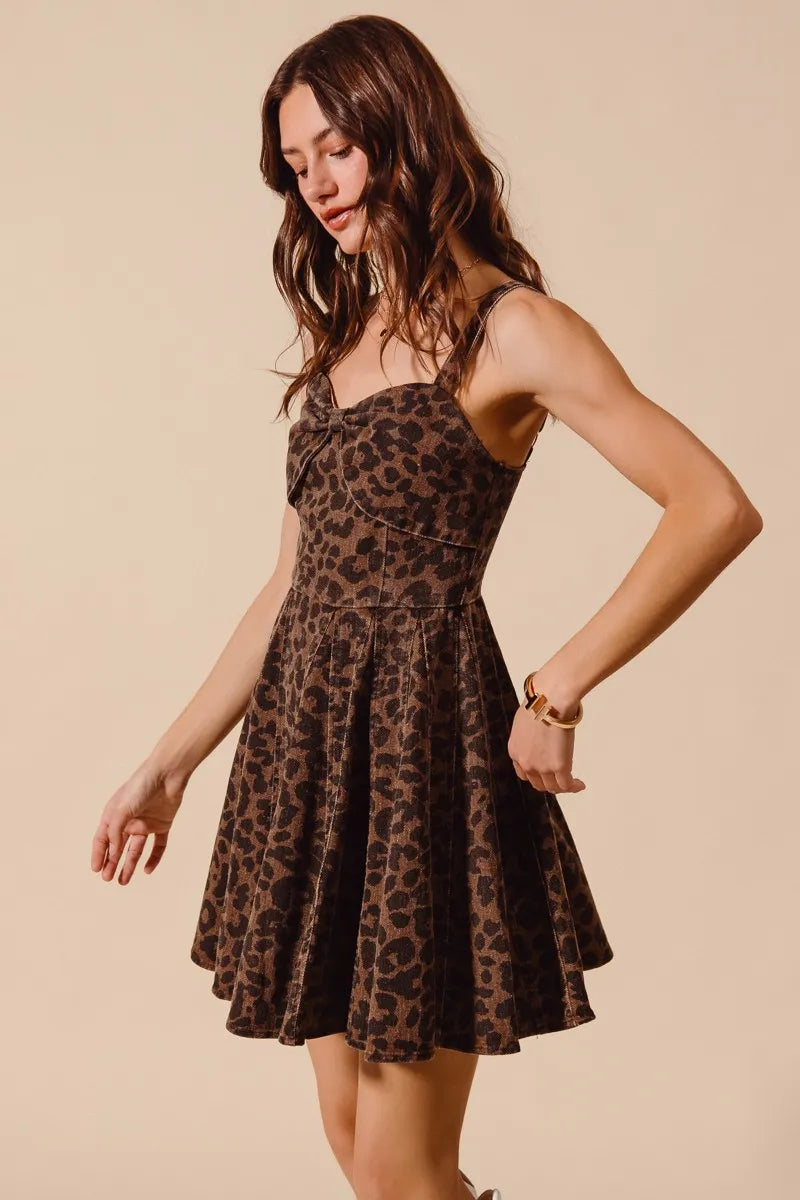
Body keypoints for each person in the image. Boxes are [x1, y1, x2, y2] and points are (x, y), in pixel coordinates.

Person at [90, 15, 763, 1200]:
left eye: (336, 149)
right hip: (307, 763)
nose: (318, 186)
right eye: (296, 168)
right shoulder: (341, 343)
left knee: (403, 1173)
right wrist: (168, 764)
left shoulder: (510, 329)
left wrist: (557, 687)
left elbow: (710, 504)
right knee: (359, 1151)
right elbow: (291, 589)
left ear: (403, 128)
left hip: (418, 764)